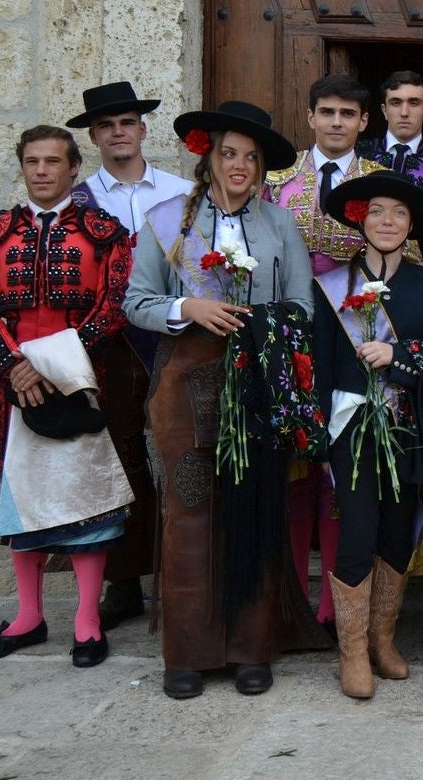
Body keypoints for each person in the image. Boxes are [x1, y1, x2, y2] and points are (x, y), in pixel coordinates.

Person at [125, 100, 325, 699]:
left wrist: (260, 324)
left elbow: (302, 308)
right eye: (229, 153)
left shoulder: (279, 225)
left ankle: (250, 648)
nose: (240, 165)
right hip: (186, 385)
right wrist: (189, 306)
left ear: (263, 167)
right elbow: (134, 303)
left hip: (256, 384)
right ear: (207, 157)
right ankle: (187, 653)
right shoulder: (164, 221)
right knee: (189, 515)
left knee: (253, 513)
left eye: (251, 157)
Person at [0, 125, 133, 669]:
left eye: (52, 162)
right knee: (24, 492)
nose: (41, 170)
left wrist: (51, 364)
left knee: (85, 495)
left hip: (81, 379)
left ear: (73, 168)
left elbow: (112, 306)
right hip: (14, 386)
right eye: (32, 161)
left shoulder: (104, 232)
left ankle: (86, 620)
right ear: (22, 166)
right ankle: (29, 616)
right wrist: (15, 367)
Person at [264, 74, 409, 633]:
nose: (336, 123)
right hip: (293, 337)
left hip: (357, 338)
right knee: (297, 474)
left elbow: (404, 253)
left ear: (364, 123)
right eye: (327, 112)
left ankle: (333, 606)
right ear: (309, 117)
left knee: (340, 475)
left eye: (348, 114)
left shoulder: (382, 182)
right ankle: (293, 597)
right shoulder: (277, 182)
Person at [314, 172, 423, 699]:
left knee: (398, 532)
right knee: (358, 529)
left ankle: (382, 641)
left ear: (411, 224)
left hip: (407, 425)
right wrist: (320, 438)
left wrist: (400, 356)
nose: (387, 221)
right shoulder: (329, 286)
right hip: (349, 425)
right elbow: (321, 369)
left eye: (398, 213)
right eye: (376, 211)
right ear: (360, 218)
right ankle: (350, 653)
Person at [65, 81, 188, 631]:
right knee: (119, 456)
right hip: (110, 344)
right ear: (93, 136)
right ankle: (123, 581)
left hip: (175, 334)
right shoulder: (77, 201)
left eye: (127, 122)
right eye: (107, 125)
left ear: (143, 129)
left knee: (186, 452)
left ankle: (185, 573)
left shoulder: (183, 192)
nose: (118, 132)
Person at [354, 69, 423, 220]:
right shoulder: (357, 155)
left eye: (414, 103)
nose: (404, 112)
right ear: (384, 111)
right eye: (396, 103)